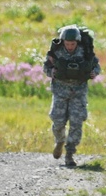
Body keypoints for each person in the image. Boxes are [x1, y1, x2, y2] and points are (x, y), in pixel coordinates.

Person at [43, 25, 101, 168]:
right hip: (60, 92)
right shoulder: (56, 52)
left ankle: (69, 154)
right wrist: (52, 73)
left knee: (76, 123)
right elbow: (46, 67)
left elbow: (96, 65)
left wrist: (94, 73)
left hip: (78, 93)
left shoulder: (85, 52)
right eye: (67, 44)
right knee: (57, 120)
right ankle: (60, 141)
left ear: (77, 42)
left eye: (72, 44)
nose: (69, 46)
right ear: (63, 42)